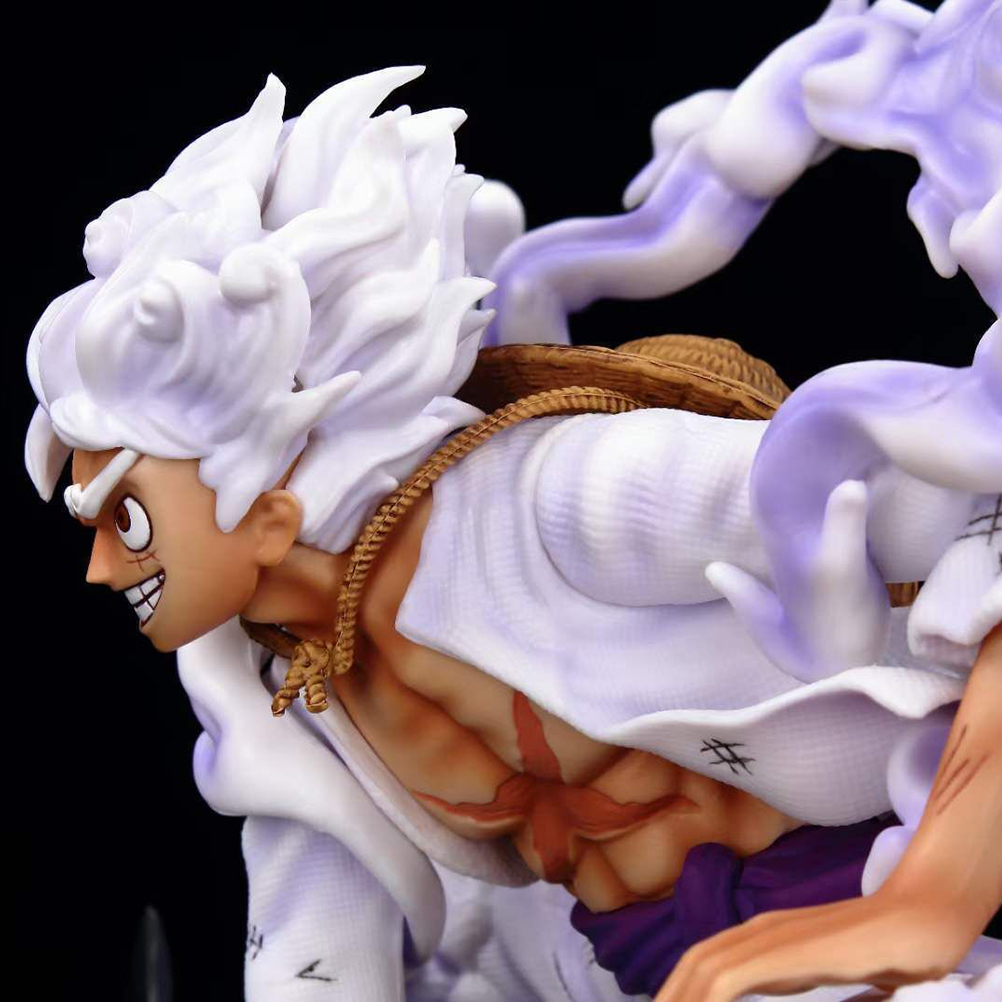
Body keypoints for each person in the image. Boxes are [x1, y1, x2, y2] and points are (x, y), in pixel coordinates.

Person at [25, 21, 1001, 1002]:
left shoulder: (559, 501)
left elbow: (984, 524)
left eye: (126, 518)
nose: (100, 570)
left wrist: (932, 897)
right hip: (623, 968)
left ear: (270, 502)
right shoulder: (290, 688)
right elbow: (314, 955)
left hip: (853, 906)